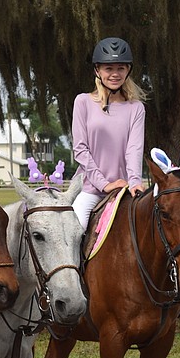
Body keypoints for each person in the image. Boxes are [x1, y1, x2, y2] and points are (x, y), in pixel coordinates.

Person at [70, 36, 146, 230]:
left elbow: (134, 149)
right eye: (109, 68)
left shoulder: (136, 108)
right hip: (90, 190)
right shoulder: (83, 102)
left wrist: (135, 182)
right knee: (75, 231)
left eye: (120, 68)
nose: (115, 74)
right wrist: (104, 184)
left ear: (128, 70)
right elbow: (80, 149)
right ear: (97, 70)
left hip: (123, 190)